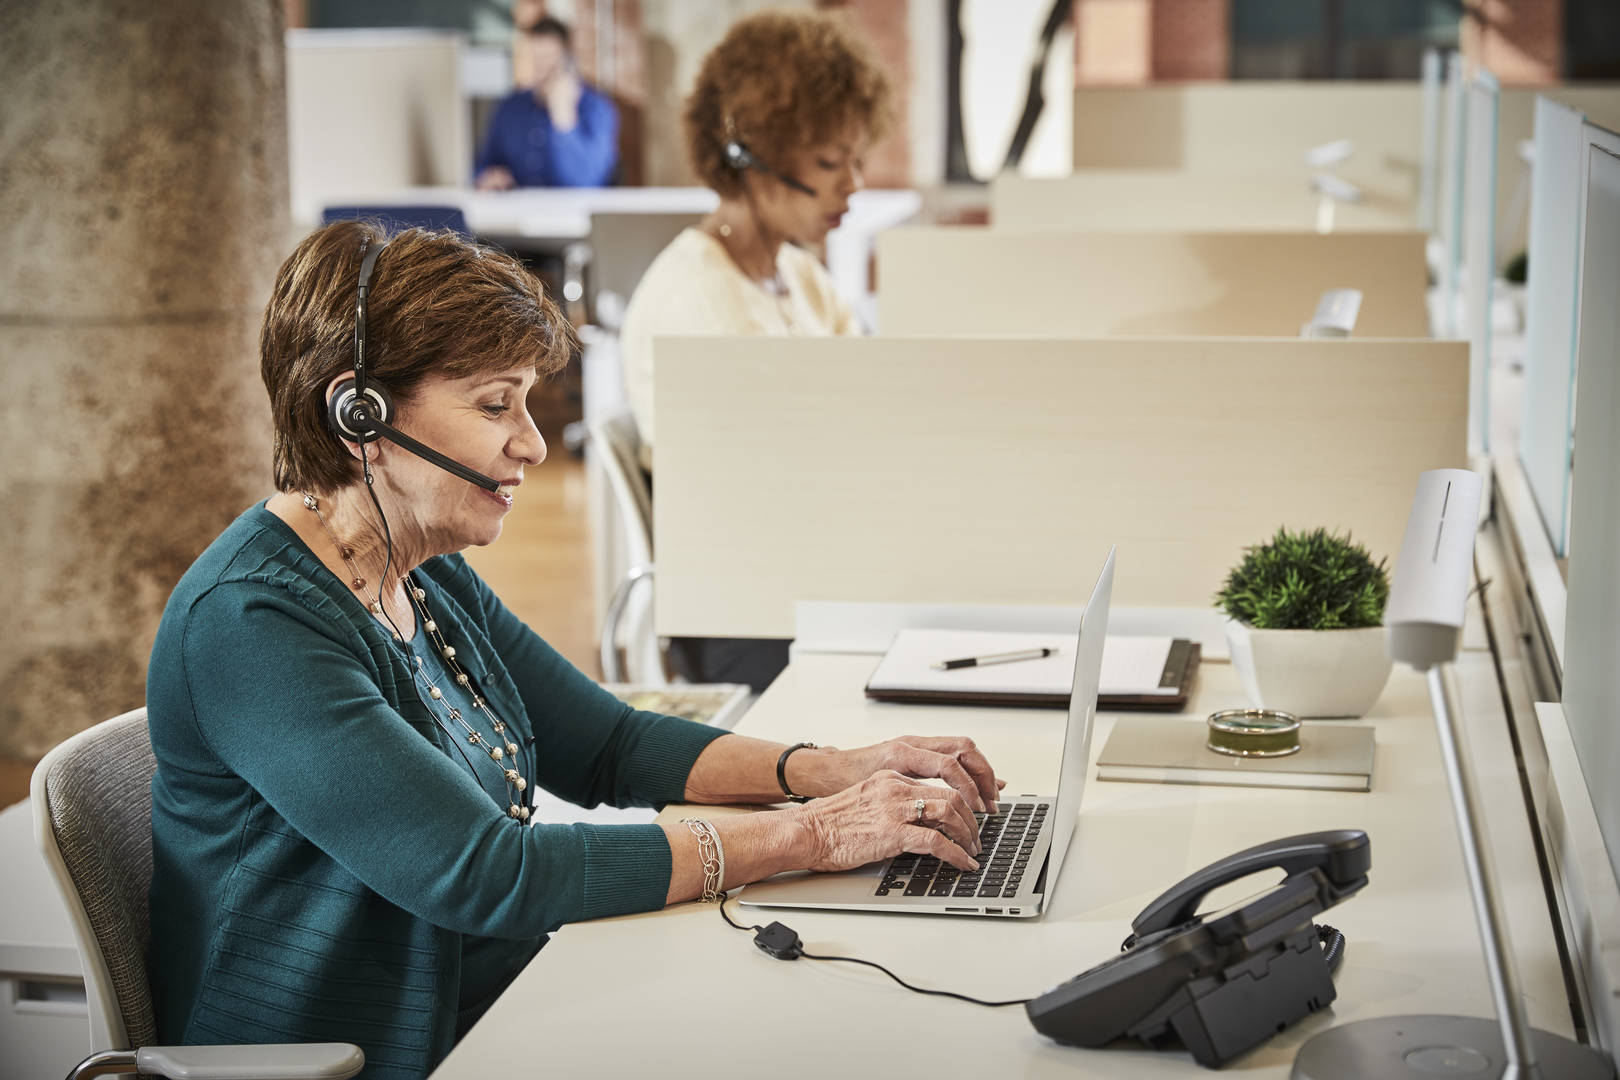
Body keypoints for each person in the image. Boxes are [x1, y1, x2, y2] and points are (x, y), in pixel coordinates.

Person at [145, 221, 1001, 1079]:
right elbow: (489, 874)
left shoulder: (420, 570)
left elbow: (609, 746)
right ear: (360, 416)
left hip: (501, 1000)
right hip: (375, 1051)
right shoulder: (251, 623)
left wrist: (838, 769)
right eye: (494, 404)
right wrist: (809, 837)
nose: (533, 443)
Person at [619, 10, 887, 468]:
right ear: (751, 158)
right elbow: (773, 466)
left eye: (858, 161)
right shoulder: (698, 301)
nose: (854, 184)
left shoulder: (798, 272)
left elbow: (870, 392)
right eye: (829, 162)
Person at [474, 15, 618, 190]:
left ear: (568, 59)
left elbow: (586, 182)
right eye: (535, 58)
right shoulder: (509, 107)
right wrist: (488, 177)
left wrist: (563, 116)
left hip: (572, 214)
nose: (540, 69)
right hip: (518, 210)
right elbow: (482, 165)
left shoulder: (597, 109)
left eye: (548, 58)